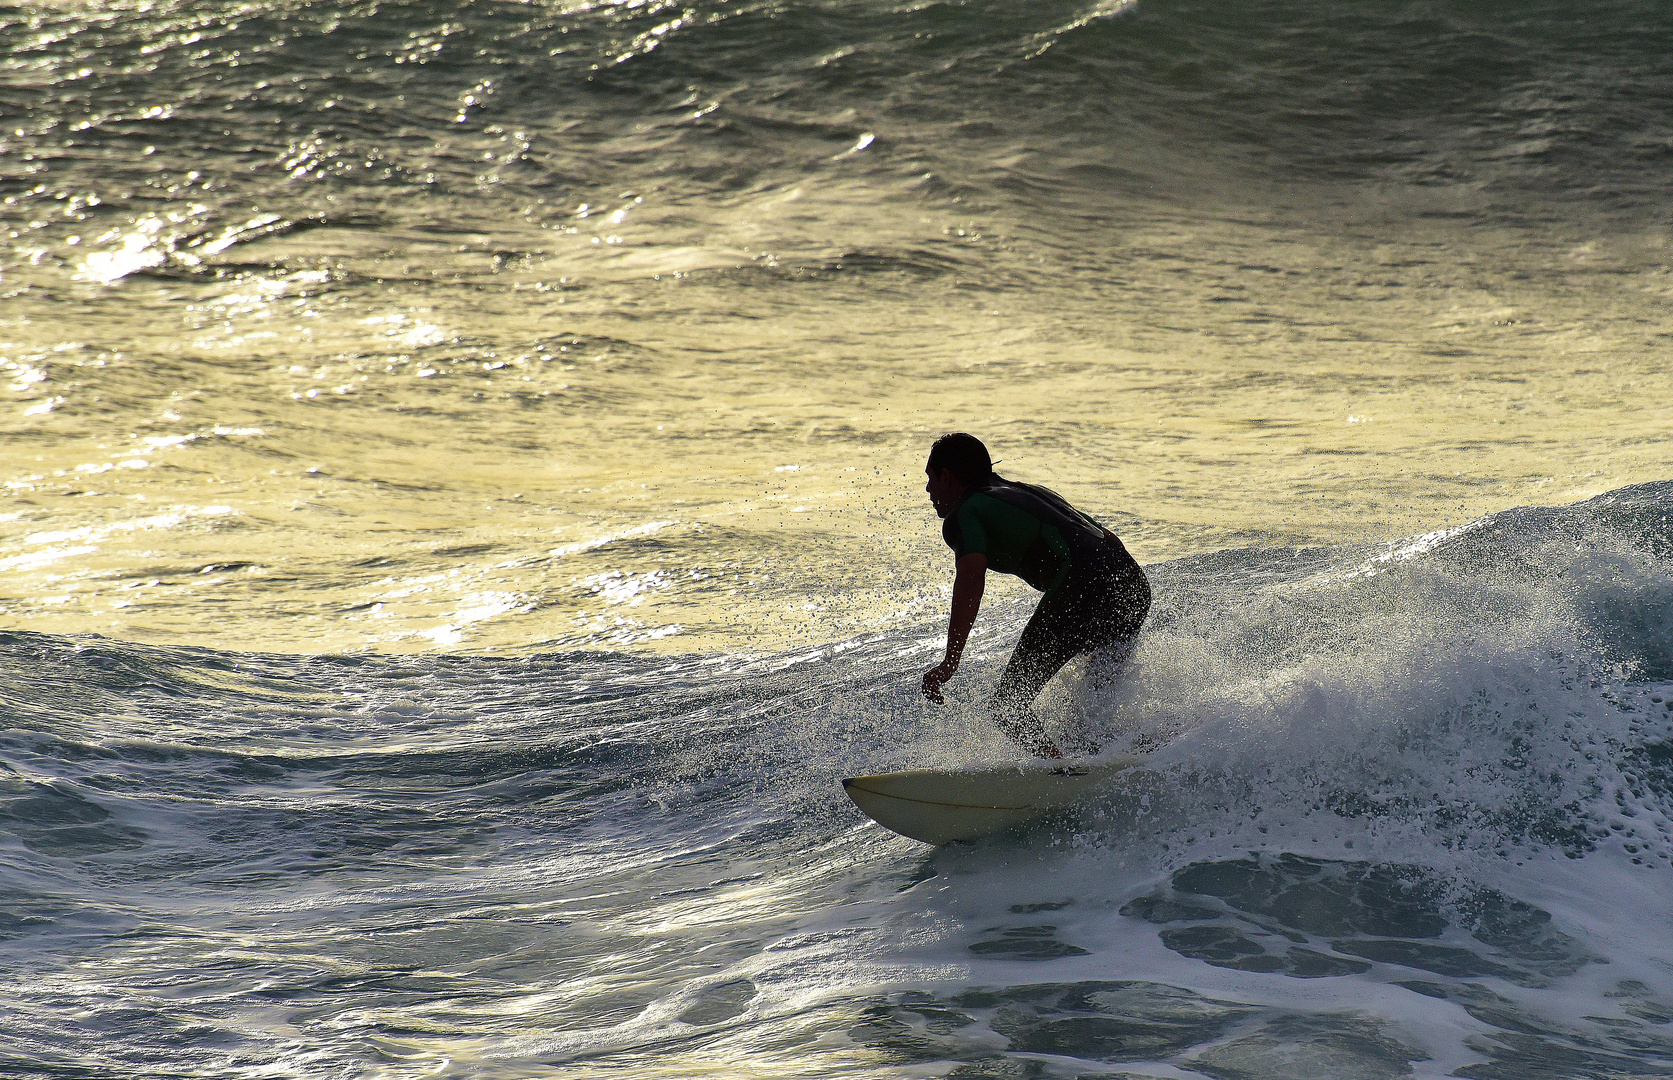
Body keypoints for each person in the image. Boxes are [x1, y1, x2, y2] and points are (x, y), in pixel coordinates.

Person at [920, 433, 1150, 758]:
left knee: (1008, 705)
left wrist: (951, 661)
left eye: (930, 480)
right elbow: (1110, 540)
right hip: (1131, 583)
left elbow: (971, 575)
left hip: (1084, 585)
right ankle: (1145, 750)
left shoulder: (966, 512)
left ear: (946, 476)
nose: (928, 491)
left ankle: (1062, 774)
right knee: (1092, 710)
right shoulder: (1034, 493)